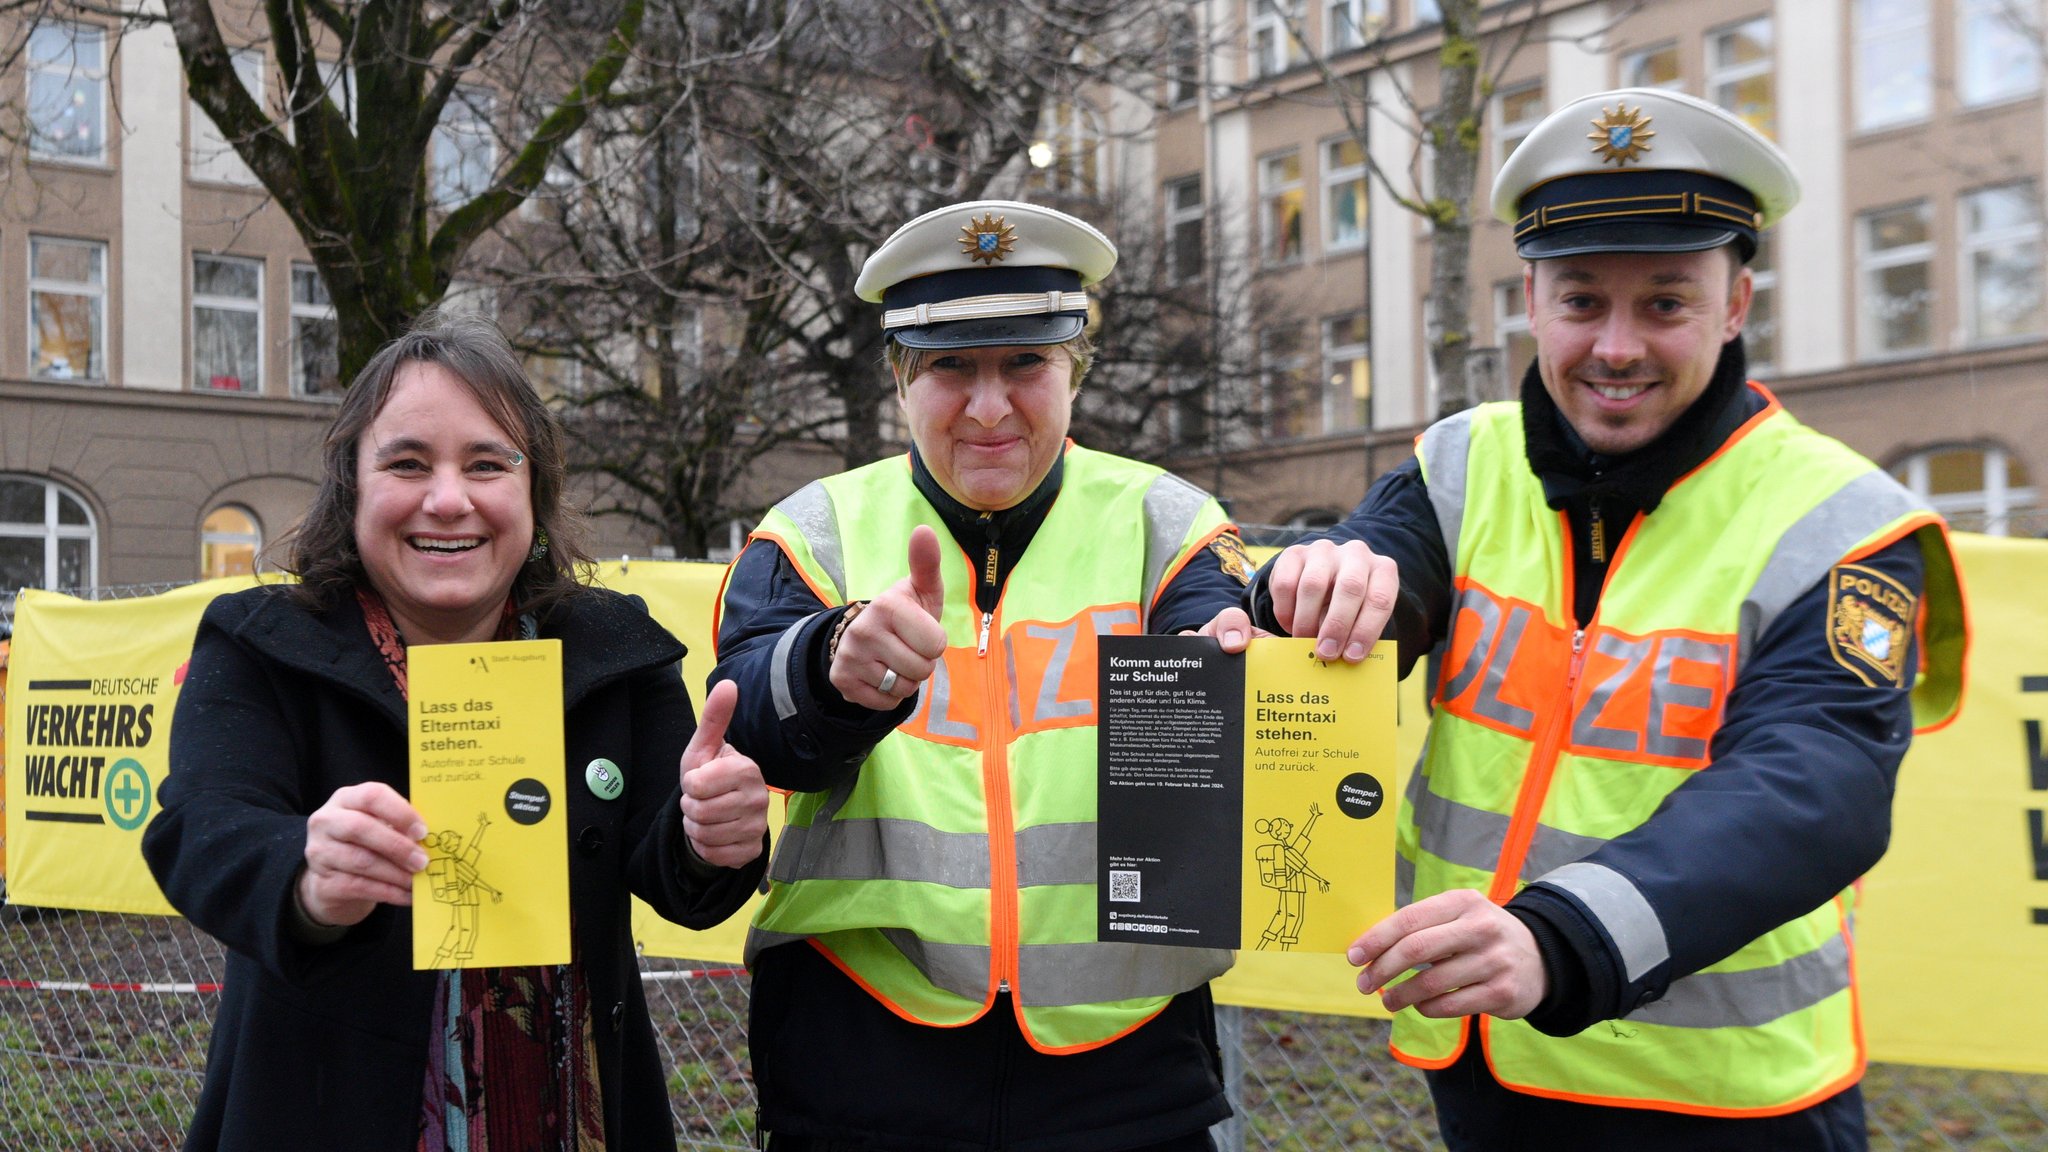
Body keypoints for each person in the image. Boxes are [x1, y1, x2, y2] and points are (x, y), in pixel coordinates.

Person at [1252, 89, 1970, 1150]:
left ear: (1734, 306)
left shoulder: (1839, 521)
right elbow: (1372, 585)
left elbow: (1813, 786)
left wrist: (1564, 936)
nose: (1616, 346)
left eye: (1665, 304)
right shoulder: (1459, 463)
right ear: (1530, 301)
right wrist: (1299, 589)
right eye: (1581, 301)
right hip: (1492, 1063)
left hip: (1725, 1098)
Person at [142, 315, 771, 1151]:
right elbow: (198, 828)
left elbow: (676, 872)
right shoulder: (263, 642)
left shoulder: (614, 650)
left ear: (532, 492)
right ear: (352, 488)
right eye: (407, 463)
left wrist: (711, 836)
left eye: (486, 464)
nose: (448, 498)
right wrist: (303, 871)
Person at [711, 200, 1258, 1150]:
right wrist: (833, 664)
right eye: (951, 367)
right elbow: (750, 721)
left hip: (1123, 1075)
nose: (990, 405)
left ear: (1075, 367)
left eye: (1026, 364)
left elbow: (1228, 648)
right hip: (862, 1059)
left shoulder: (1167, 523)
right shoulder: (813, 529)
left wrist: (1285, 609)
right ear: (899, 378)